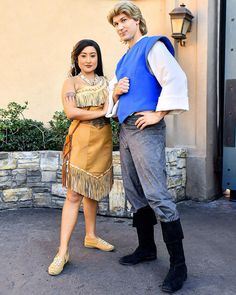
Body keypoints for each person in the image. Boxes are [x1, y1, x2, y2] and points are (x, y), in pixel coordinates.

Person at [107, 1, 189, 293]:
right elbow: (112, 99)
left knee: (156, 193)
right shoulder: (122, 59)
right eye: (116, 23)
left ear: (137, 21)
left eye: (124, 20)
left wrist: (159, 113)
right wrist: (115, 93)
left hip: (146, 128)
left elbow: (176, 79)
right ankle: (146, 248)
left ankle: (179, 266)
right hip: (126, 130)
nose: (120, 27)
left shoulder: (151, 46)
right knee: (134, 192)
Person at [48, 39, 114, 276]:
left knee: (93, 189)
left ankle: (91, 236)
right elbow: (71, 112)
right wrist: (102, 111)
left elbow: (114, 111)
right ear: (76, 58)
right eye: (84, 55)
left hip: (102, 141)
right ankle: (63, 251)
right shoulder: (71, 82)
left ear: (98, 58)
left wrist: (113, 106)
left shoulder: (107, 83)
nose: (88, 60)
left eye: (93, 55)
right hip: (80, 142)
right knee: (74, 193)